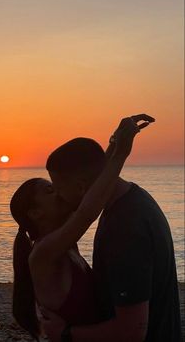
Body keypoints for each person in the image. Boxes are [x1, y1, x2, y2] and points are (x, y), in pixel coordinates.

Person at [10, 115, 153, 341]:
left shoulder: (65, 240)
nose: (60, 192)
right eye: (51, 190)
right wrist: (121, 154)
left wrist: (113, 145)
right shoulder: (43, 253)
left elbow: (88, 189)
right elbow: (87, 211)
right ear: (36, 213)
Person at [43, 119, 182, 341]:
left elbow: (131, 331)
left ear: (80, 187)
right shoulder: (133, 199)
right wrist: (115, 144)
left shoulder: (125, 227)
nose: (59, 199)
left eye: (59, 191)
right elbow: (98, 177)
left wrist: (65, 333)